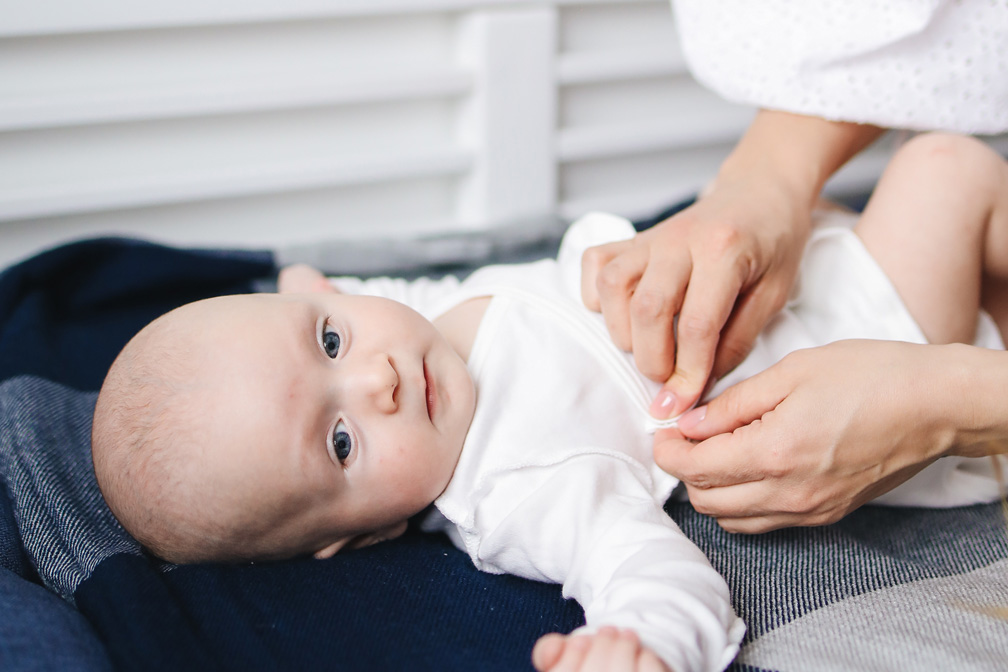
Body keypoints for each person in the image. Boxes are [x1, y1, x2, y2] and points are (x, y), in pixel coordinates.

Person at [91, 133, 1007, 672]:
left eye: (328, 340)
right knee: (945, 168)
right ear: (359, 537)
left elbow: (341, 295)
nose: (376, 381)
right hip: (875, 350)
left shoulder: (405, 327)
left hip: (817, 276)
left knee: (883, 217)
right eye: (340, 443)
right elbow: (652, 574)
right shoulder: (523, 485)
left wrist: (304, 291)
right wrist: (639, 646)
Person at [582, 1, 1008, 530]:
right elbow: (930, 30)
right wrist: (767, 176)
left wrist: (944, 398)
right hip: (878, 349)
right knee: (940, 171)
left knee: (942, 170)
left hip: (898, 363)